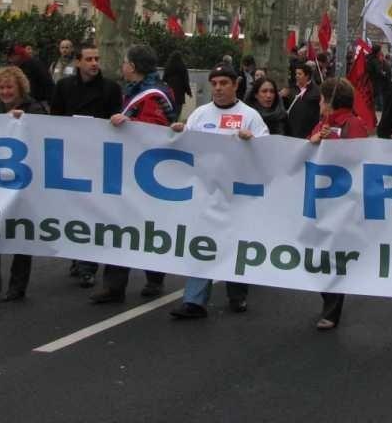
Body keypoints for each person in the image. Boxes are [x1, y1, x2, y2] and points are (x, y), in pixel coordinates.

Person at [169, 64, 270, 319]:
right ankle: (194, 300)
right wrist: (177, 134)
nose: (218, 88)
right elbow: (185, 149)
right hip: (205, 193)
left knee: (235, 244)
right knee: (203, 244)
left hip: (238, 195)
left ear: (236, 85)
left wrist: (253, 143)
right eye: (214, 83)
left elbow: (270, 151)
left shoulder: (250, 116)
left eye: (224, 83)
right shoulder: (199, 115)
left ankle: (237, 294)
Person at [94, 45, 176, 304]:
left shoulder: (154, 94)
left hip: (147, 172)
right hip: (128, 168)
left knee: (147, 227)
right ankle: (114, 285)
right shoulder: (136, 91)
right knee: (121, 226)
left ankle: (154, 276)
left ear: (135, 66)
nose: (123, 66)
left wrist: (129, 126)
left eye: (126, 61)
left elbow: (155, 130)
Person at [0, 65, 47, 302]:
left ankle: (17, 285)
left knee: (20, 234)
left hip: (25, 182)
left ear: (20, 88)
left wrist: (26, 121)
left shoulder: (35, 109)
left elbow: (44, 132)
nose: (5, 92)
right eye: (1, 87)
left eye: (9, 87)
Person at [50, 42, 123, 287]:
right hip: (72, 156)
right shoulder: (63, 87)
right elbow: (54, 120)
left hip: (99, 158)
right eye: (89, 59)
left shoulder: (111, 88)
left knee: (93, 211)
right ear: (78, 62)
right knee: (74, 210)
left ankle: (87, 265)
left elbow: (118, 120)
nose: (94, 64)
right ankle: (78, 258)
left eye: (97, 59)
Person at [307, 77, 368, 330]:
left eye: (322, 99)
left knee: (334, 255)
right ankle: (329, 300)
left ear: (330, 101)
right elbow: (304, 152)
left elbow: (358, 156)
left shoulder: (353, 124)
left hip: (342, 202)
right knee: (320, 254)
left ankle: (332, 309)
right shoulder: (323, 124)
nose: (320, 103)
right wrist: (314, 142)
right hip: (319, 200)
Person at [284, 61, 321, 138]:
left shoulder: (316, 92)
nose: (296, 76)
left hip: (307, 132)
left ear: (307, 76)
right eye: (296, 74)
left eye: (299, 74)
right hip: (291, 131)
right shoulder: (291, 89)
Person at [163, 50, 192, 115]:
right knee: (177, 111)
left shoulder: (168, 66)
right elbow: (185, 81)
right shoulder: (182, 67)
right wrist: (189, 92)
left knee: (169, 110)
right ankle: (175, 121)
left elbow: (164, 79)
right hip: (180, 93)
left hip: (169, 92)